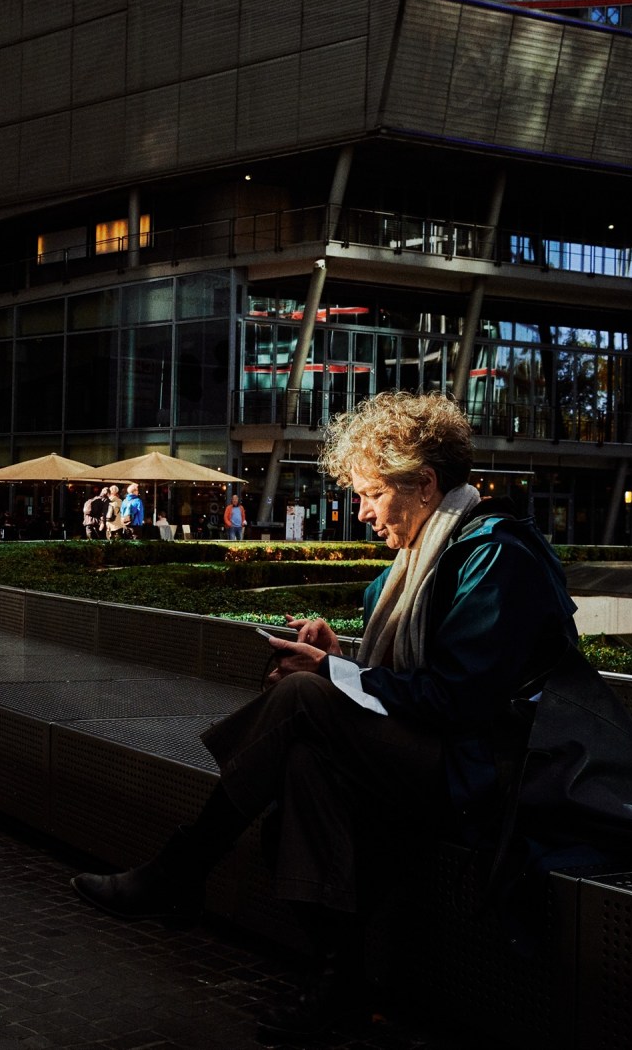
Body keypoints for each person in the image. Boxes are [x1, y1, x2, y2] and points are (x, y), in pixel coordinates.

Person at [70, 392, 584, 1037]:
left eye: (371, 494)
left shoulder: (494, 556)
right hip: (438, 758)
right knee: (309, 759)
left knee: (303, 697)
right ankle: (343, 985)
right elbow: (406, 683)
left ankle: (182, 869)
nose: (362, 512)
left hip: (492, 775)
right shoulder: (408, 569)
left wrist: (334, 676)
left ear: (423, 484)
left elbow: (465, 702)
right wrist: (343, 658)